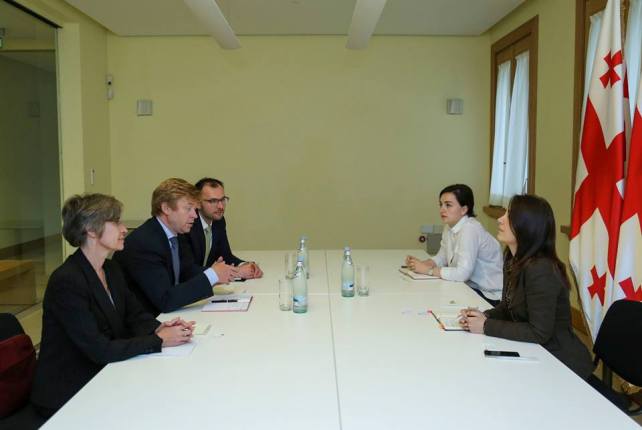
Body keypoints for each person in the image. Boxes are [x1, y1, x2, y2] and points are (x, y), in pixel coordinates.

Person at [31, 194, 194, 417]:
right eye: (116, 222)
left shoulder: (110, 269)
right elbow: (99, 349)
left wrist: (160, 327)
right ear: (91, 229)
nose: (124, 229)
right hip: (69, 394)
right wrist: (159, 340)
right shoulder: (67, 281)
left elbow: (134, 316)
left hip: (102, 375)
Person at [461, 194, 594, 379]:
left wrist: (486, 325)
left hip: (559, 362)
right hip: (534, 352)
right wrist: (483, 316)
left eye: (509, 216)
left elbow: (539, 332)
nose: (500, 219)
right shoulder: (513, 259)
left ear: (527, 226)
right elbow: (508, 307)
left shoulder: (541, 269)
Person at [114, 178, 237, 316]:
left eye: (195, 209)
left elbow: (186, 271)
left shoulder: (175, 234)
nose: (195, 215)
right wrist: (212, 275)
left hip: (169, 315)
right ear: (166, 208)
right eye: (188, 208)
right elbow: (165, 299)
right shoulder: (144, 243)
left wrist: (217, 273)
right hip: (147, 320)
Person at [405, 184, 503, 305]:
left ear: (464, 209)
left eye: (448, 205)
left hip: (488, 295)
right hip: (468, 287)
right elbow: (442, 258)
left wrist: (428, 270)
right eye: (441, 204)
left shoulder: (470, 229)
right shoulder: (449, 226)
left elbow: (463, 274)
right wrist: (421, 264)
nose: (442, 209)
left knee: (433, 300)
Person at [182, 177, 263, 279]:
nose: (221, 206)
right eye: (213, 201)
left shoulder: (218, 221)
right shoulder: (188, 224)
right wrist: (234, 272)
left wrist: (246, 265)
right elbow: (187, 271)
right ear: (198, 202)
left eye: (222, 200)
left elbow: (226, 256)